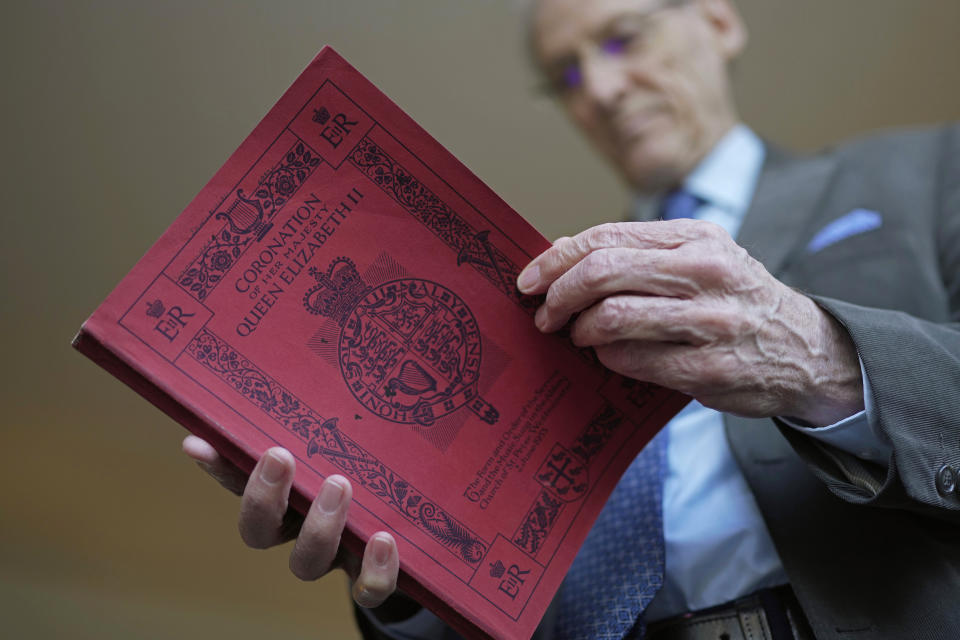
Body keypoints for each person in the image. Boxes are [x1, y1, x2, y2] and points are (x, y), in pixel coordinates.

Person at [184, 0, 960, 638]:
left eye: (624, 37)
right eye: (568, 75)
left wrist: (820, 358)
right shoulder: (539, 308)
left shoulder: (925, 173)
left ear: (720, 21)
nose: (604, 90)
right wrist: (396, 569)